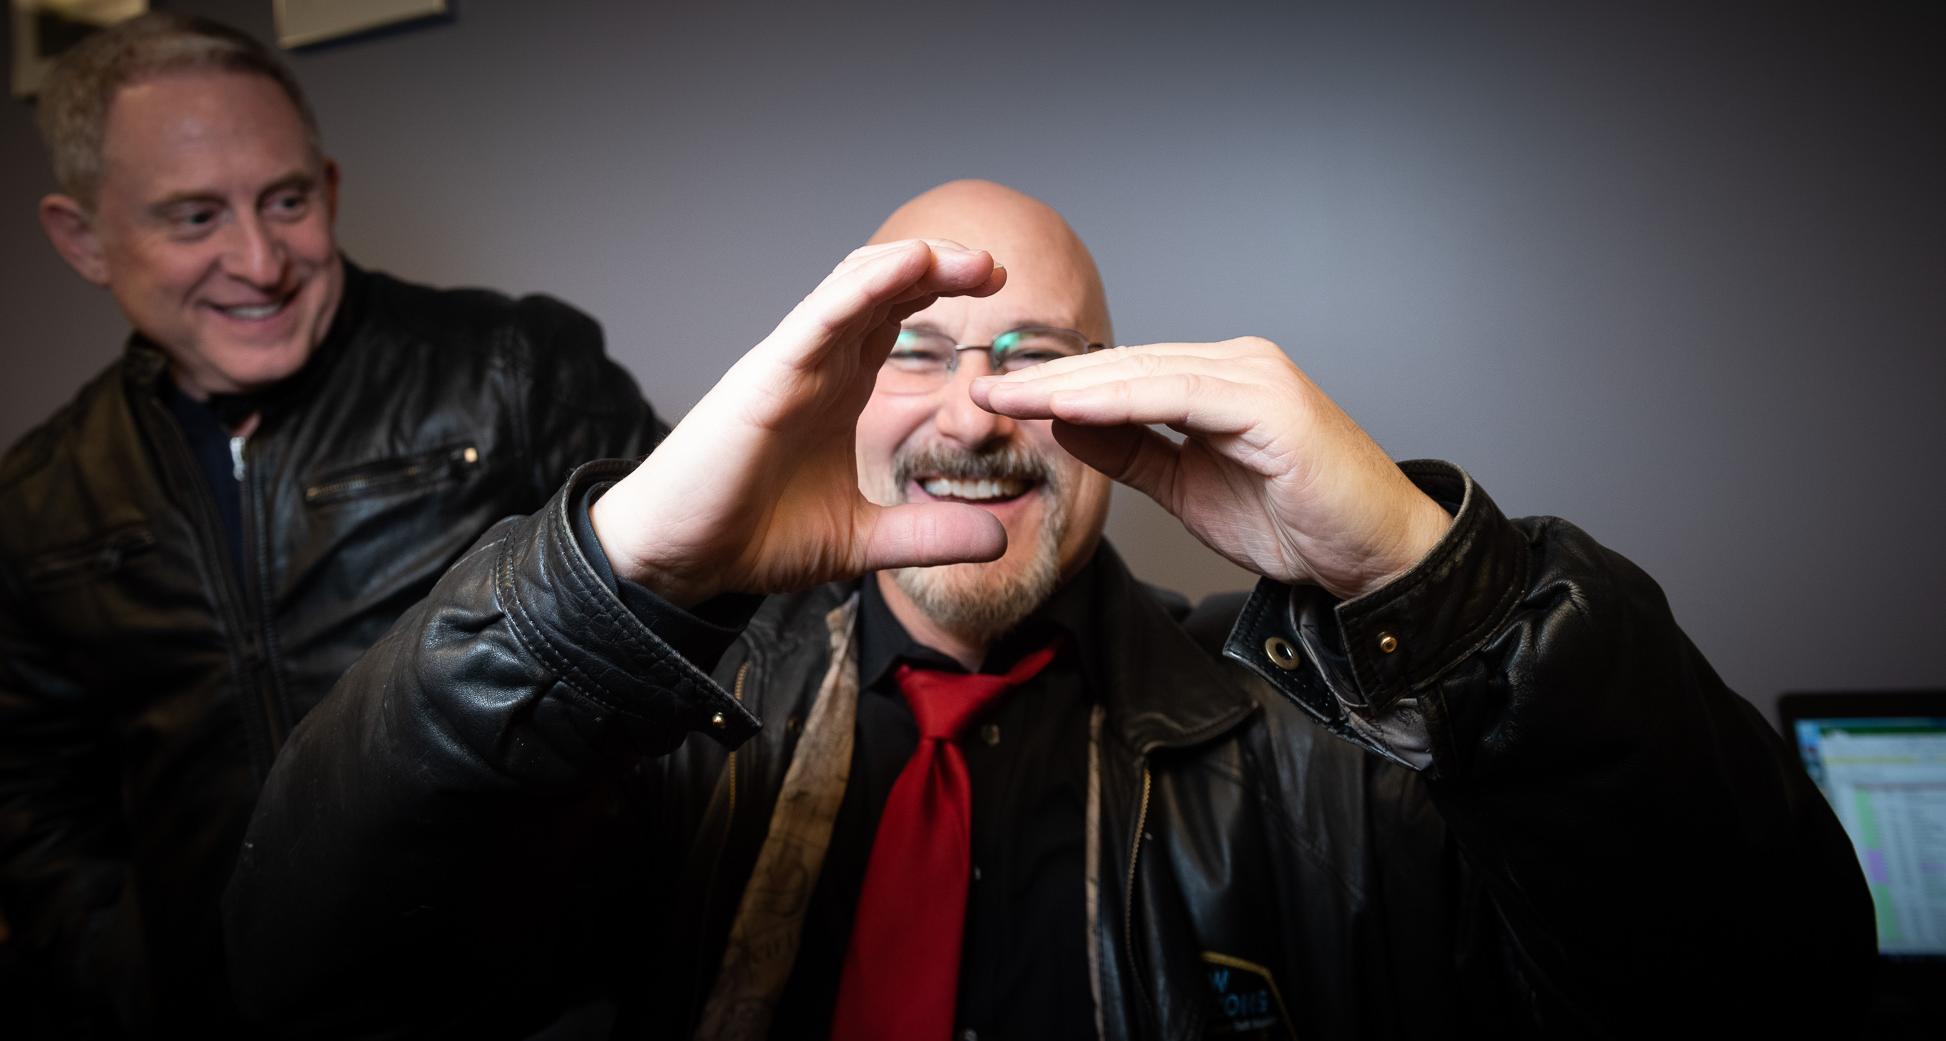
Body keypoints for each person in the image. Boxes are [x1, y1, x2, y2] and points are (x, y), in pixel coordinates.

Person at [225, 180, 1872, 1039]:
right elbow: (309, 971)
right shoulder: (665, 743)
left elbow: (1760, 992)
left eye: (1036, 361)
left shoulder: (1328, 751)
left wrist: (1425, 579)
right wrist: (616, 577)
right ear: (832, 397)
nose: (974, 414)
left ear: (1120, 402)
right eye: (916, 351)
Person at [0, 13, 661, 1035]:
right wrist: (122, 979)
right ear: (83, 240)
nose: (260, 261)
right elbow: (29, 788)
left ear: (327, 190)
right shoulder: (43, 490)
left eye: (285, 201)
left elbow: (717, 657)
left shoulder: (515, 369)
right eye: (193, 217)